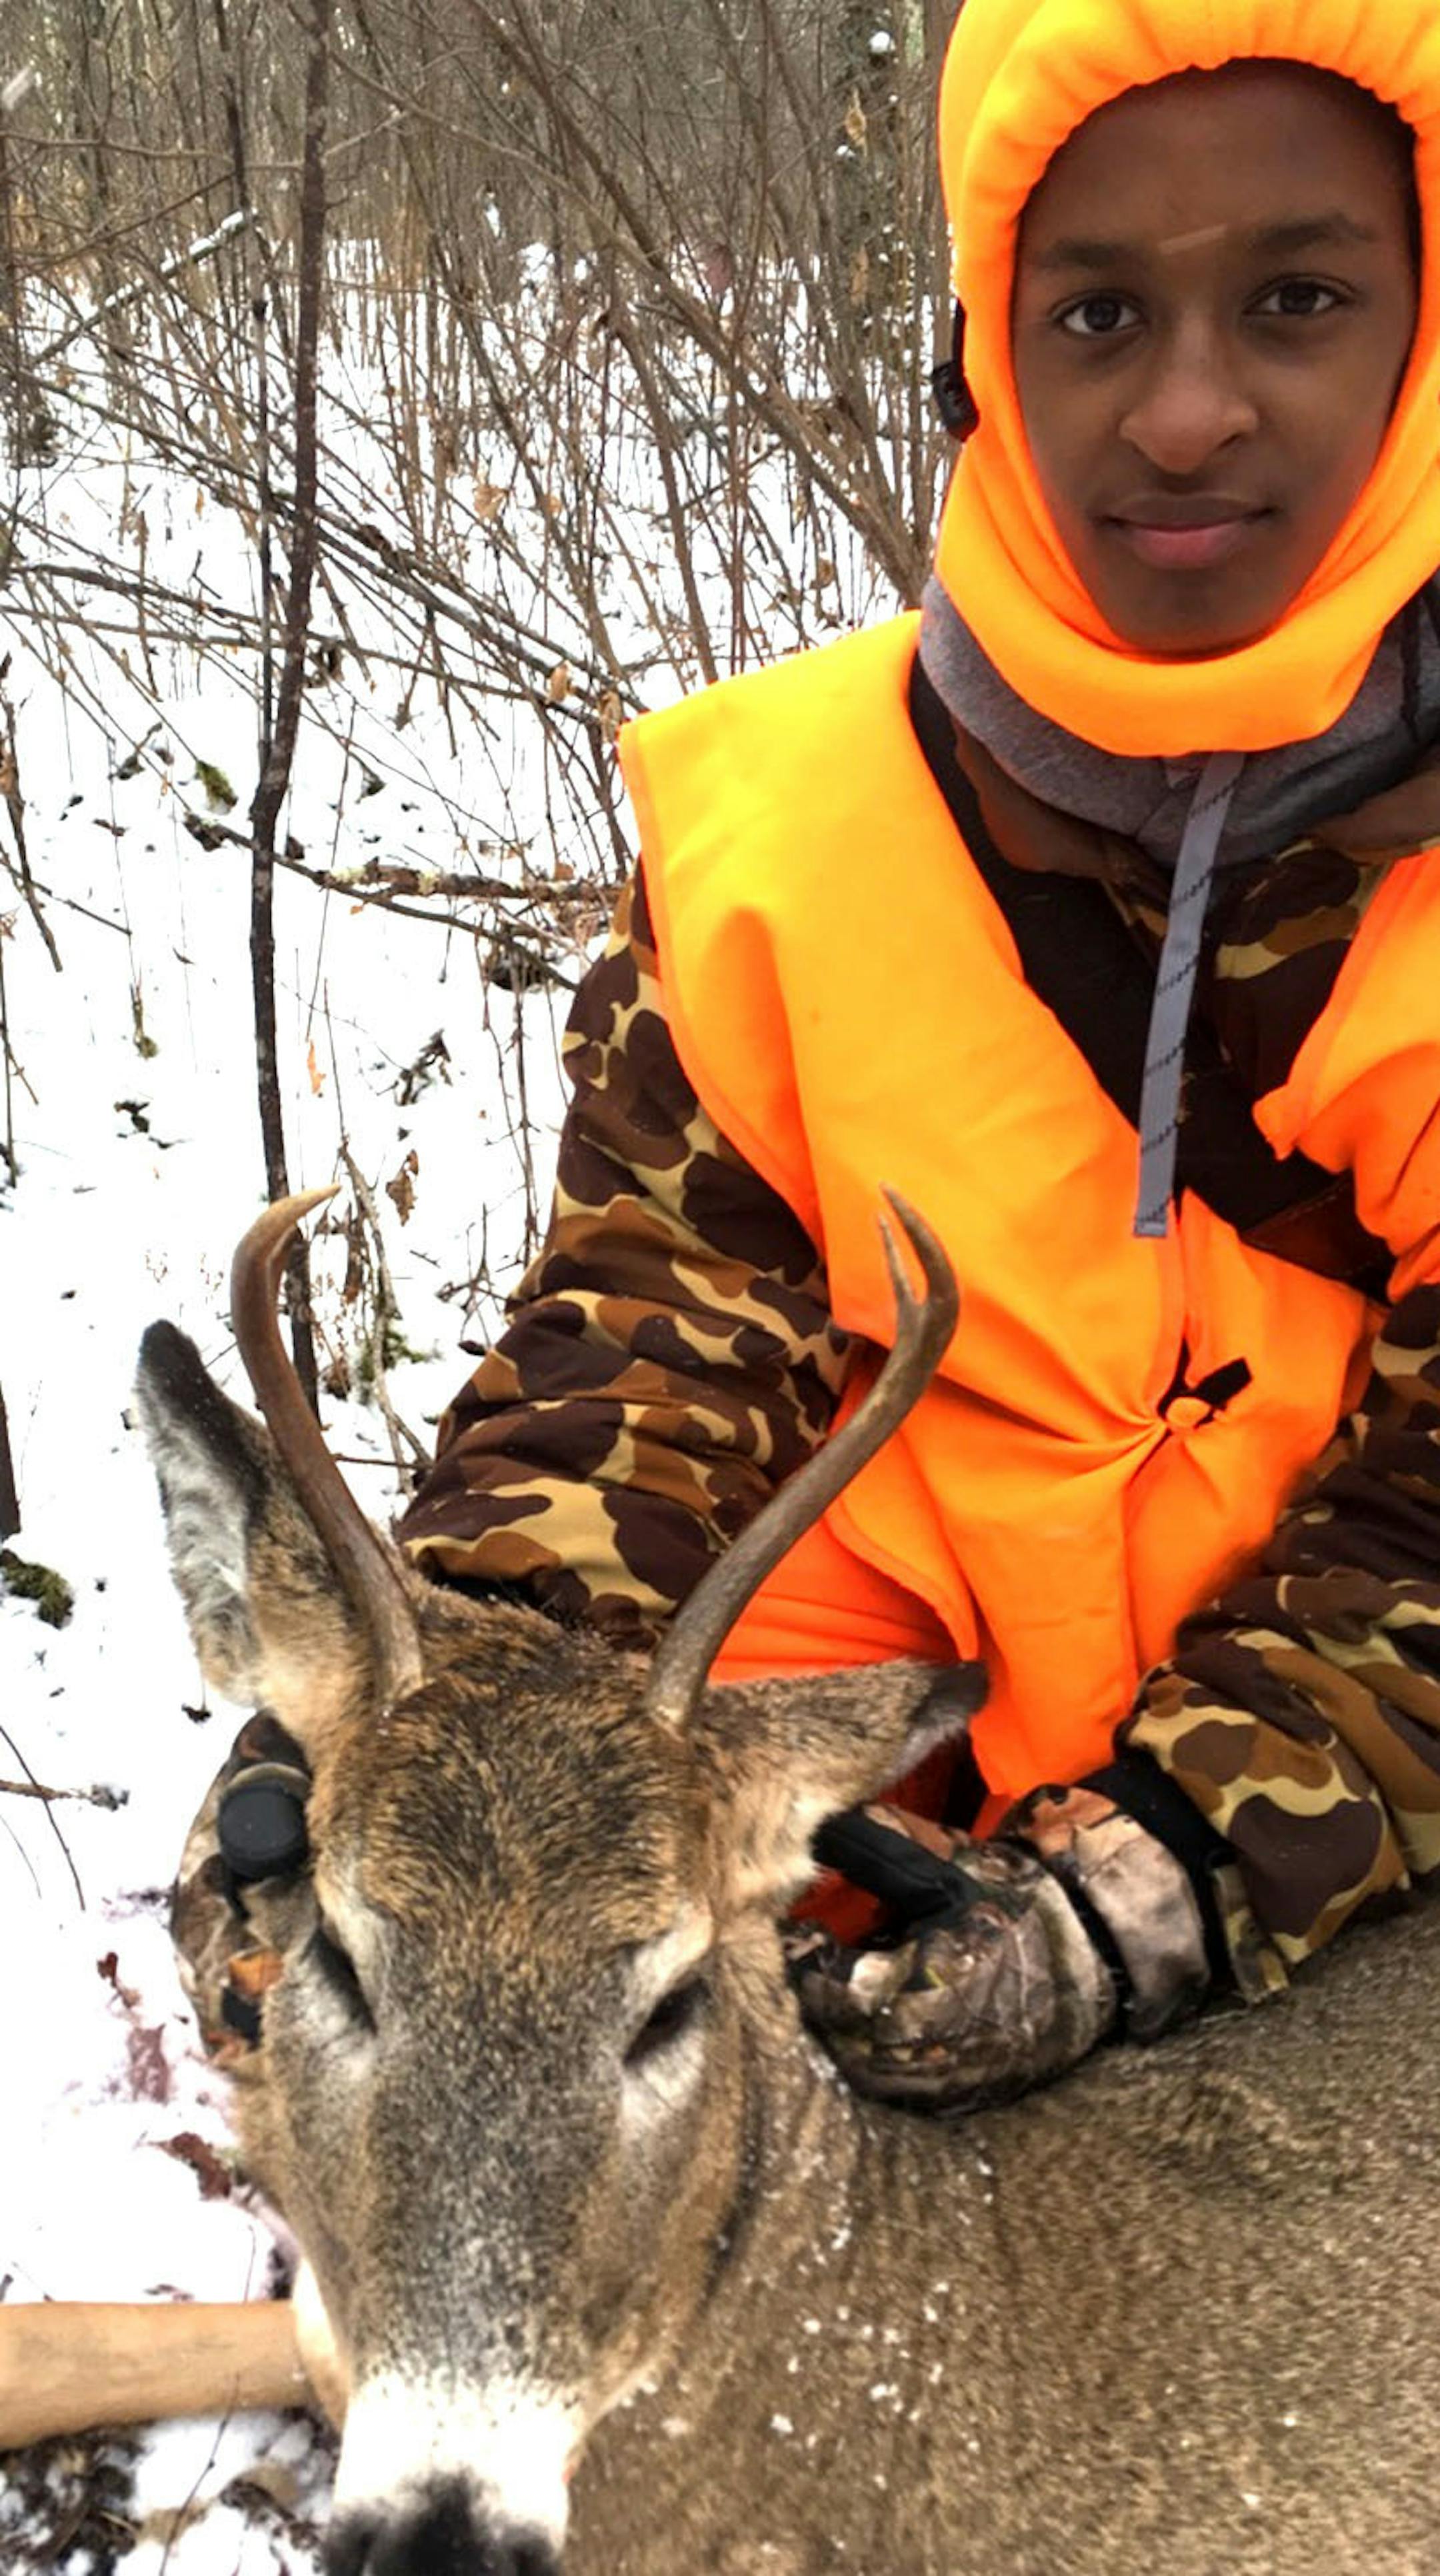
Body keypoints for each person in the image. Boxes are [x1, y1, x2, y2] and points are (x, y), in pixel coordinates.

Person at [177, 0, 1440, 2113]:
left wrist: (1164, 1874)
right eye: (1099, 311)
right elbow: (648, 1343)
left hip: (1348, 1794)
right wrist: (424, 1721)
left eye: (1299, 299)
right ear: (984, 349)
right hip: (867, 1776)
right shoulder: (807, 826)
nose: (1194, 410)